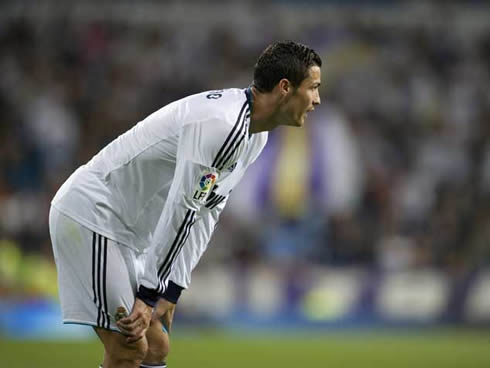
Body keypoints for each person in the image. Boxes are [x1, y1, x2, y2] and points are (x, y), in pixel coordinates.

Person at [49, 40, 321, 368]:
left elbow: (209, 210)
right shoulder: (223, 126)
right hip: (92, 215)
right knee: (129, 348)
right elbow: (183, 209)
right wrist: (150, 293)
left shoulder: (255, 135)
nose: (317, 100)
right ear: (284, 87)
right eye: (313, 88)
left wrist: (172, 288)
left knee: (155, 347)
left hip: (124, 232)